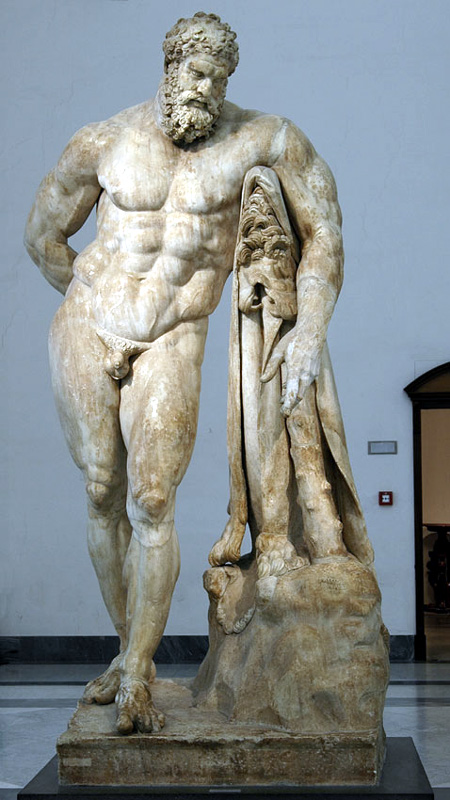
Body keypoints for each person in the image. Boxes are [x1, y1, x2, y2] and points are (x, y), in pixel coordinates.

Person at [24, 12, 371, 735]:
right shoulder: (103, 141)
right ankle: (129, 651)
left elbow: (325, 232)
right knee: (101, 490)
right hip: (88, 325)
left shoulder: (266, 139)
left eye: (219, 78)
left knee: (152, 499)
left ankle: (137, 674)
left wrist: (311, 326)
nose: (207, 89)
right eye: (197, 73)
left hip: (176, 333)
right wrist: (91, 295)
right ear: (170, 68)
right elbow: (42, 236)